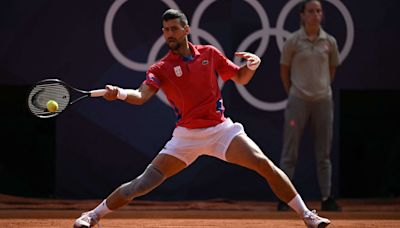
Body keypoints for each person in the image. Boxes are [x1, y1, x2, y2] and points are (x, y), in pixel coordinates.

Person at [73, 9, 331, 228]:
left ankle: (307, 216)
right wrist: (118, 93)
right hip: (186, 137)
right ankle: (92, 215)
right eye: (166, 30)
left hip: (221, 131)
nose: (170, 34)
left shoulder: (209, 53)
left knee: (264, 165)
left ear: (186, 29)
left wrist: (251, 66)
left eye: (174, 28)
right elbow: (140, 96)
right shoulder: (160, 68)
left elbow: (240, 78)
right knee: (140, 185)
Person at [277, 0, 341, 212]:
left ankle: (326, 196)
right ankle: (285, 198)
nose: (315, 15)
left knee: (324, 152)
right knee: (290, 151)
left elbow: (332, 69)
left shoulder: (329, 42)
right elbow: (284, 70)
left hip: (323, 100)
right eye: (311, 11)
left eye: (319, 11)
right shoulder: (293, 41)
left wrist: (320, 88)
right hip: (298, 100)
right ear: (302, 15)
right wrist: (295, 92)